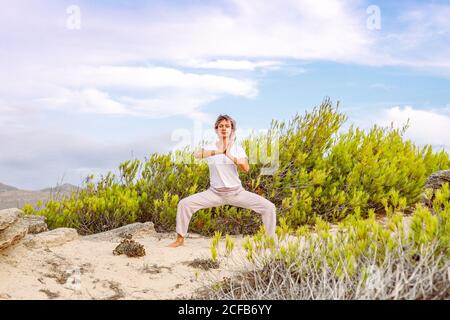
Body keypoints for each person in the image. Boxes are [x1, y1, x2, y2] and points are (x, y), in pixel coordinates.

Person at [168, 114, 277, 247]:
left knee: (269, 207)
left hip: (237, 193)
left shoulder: (238, 148)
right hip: (214, 193)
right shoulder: (209, 147)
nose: (224, 128)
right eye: (221, 126)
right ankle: (180, 239)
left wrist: (229, 155)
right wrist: (218, 152)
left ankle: (270, 241)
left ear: (232, 129)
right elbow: (197, 155)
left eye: (227, 126)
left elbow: (246, 168)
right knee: (184, 204)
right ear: (216, 129)